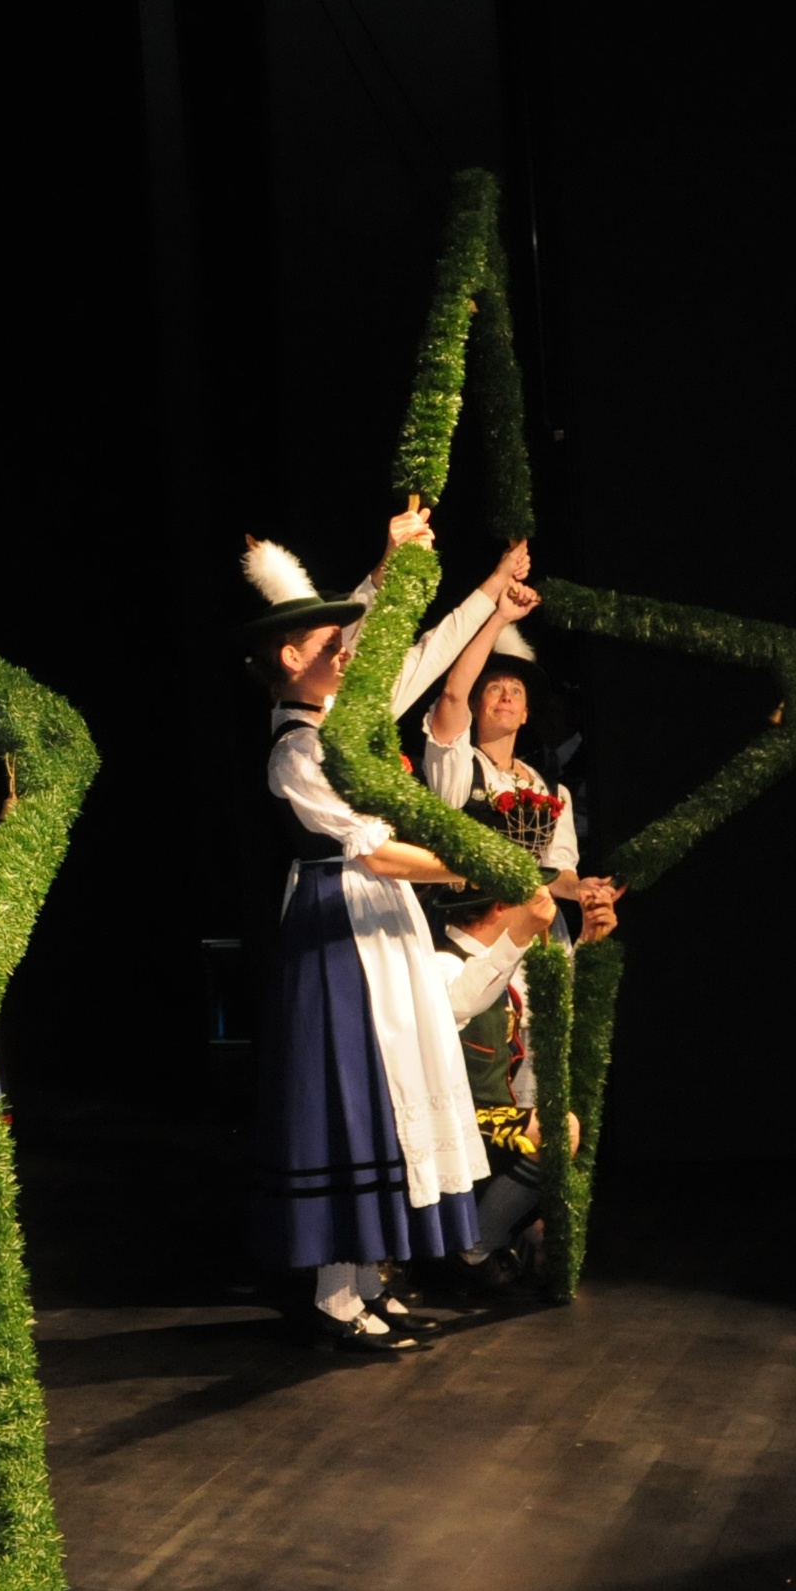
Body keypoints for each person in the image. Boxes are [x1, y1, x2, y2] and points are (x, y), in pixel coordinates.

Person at [238, 508, 555, 1352]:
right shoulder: (297, 750)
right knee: (354, 1096)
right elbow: (374, 853)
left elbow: (409, 653)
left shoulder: (347, 726)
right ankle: (335, 1295)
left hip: (381, 921)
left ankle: (366, 1281)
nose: (347, 652)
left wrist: (455, 580)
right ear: (290, 660)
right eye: (328, 644)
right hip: (339, 927)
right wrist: (474, 864)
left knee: (391, 1093)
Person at [434, 883, 619, 1295]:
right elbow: (463, 999)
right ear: (501, 908)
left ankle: (498, 1235)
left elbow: (545, 1007)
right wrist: (517, 938)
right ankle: (474, 1248)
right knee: (556, 1129)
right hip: (453, 1114)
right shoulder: (443, 962)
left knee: (558, 1126)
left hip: (493, 1107)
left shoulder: (491, 960)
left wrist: (587, 944)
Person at [422, 577, 615, 923]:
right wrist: (499, 618)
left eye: (516, 691)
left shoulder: (551, 789)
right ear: (475, 705)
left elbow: (558, 872)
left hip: (532, 926)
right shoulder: (458, 765)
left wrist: (579, 888)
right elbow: (452, 695)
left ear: (526, 714)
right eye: (494, 688)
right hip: (472, 924)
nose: (506, 696)